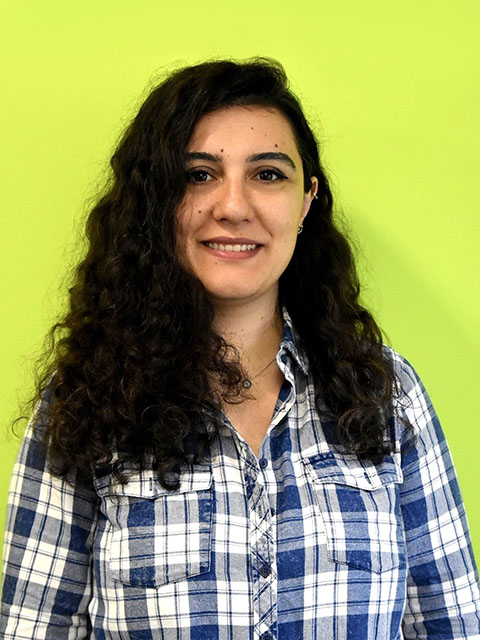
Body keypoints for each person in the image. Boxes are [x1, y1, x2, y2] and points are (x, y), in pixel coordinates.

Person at [1, 58, 479, 640]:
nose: (232, 206)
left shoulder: (387, 393)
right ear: (158, 202)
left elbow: (452, 625)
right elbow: (32, 627)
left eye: (269, 174)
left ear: (307, 201)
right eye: (199, 174)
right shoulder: (84, 400)